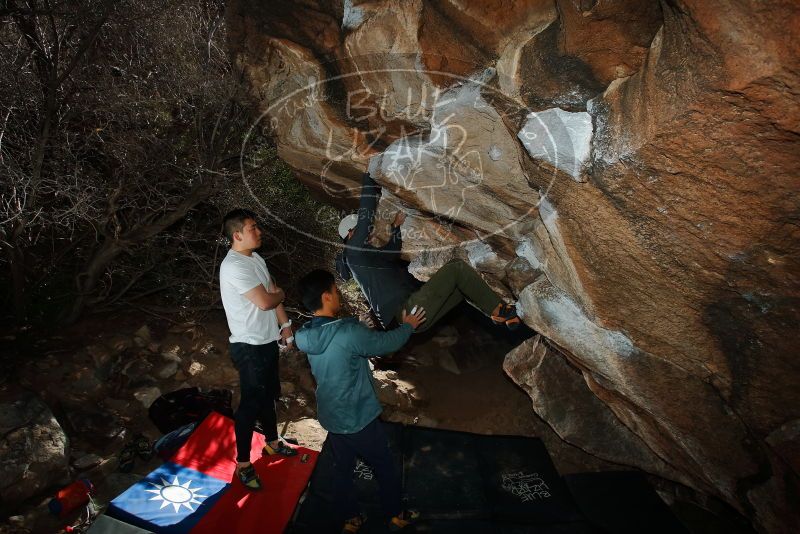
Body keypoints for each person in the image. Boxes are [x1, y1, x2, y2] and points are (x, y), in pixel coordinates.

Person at [294, 269, 425, 533]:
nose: (338, 293)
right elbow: (386, 343)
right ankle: (395, 514)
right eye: (334, 289)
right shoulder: (348, 332)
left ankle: (350, 517)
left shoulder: (304, 336)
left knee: (342, 470)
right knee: (384, 466)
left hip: (332, 416)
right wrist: (408, 325)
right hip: (358, 418)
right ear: (326, 296)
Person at [336, 171, 521, 332]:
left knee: (460, 286)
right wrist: (368, 178)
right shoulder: (353, 252)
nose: (367, 233)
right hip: (405, 312)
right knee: (456, 268)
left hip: (409, 316)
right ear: (351, 233)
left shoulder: (363, 258)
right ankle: (499, 310)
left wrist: (395, 228)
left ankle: (496, 313)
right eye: (361, 231)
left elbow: (390, 255)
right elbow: (365, 216)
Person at [219, 209, 297, 491]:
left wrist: (285, 324)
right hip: (248, 345)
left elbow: (271, 291)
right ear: (237, 234)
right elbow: (267, 300)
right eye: (253, 228)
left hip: (266, 341)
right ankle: (242, 464)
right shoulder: (233, 266)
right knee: (251, 403)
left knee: (269, 396)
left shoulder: (256, 258)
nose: (259, 231)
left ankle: (273, 443)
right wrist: (281, 295)